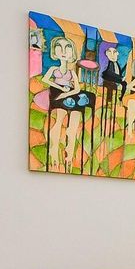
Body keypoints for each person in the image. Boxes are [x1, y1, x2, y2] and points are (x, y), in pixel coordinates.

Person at [40, 36, 92, 170]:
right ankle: (54, 148)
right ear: (55, 52)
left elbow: (77, 88)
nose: (63, 51)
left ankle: (70, 151)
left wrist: (66, 93)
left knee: (75, 116)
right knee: (60, 117)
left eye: (67, 48)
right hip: (57, 93)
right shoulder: (53, 69)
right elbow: (46, 80)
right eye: (60, 47)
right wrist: (60, 89)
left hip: (69, 94)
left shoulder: (71, 72)